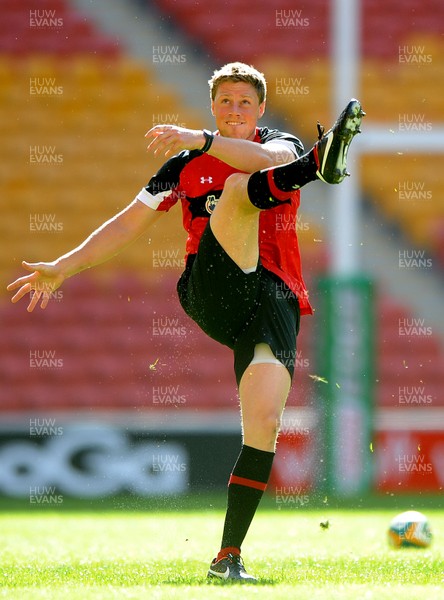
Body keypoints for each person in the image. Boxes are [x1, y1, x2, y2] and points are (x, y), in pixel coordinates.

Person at [7, 62, 364, 583]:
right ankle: (321, 164)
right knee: (242, 191)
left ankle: (228, 557)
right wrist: (64, 265)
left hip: (274, 300)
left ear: (260, 109)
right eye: (226, 102)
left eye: (245, 102)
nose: (235, 110)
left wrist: (204, 139)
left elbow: (268, 158)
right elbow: (129, 222)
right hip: (211, 289)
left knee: (264, 425)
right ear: (213, 107)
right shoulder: (183, 165)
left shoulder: (277, 143)